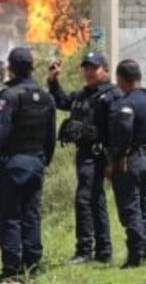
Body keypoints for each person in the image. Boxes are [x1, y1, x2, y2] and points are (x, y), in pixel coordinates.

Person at [0, 46, 56, 281]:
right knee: (31, 215)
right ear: (32, 68)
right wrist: (43, 161)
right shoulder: (45, 97)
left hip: (12, 165)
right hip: (35, 164)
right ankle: (31, 266)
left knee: (9, 216)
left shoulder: (9, 97)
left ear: (10, 68)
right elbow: (50, 136)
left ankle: (11, 270)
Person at [47, 50, 121, 265]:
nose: (89, 72)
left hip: (99, 155)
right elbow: (61, 101)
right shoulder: (83, 94)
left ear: (105, 70)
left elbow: (119, 130)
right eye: (86, 68)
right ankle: (103, 251)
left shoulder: (112, 95)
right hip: (84, 154)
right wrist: (53, 80)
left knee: (85, 199)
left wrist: (113, 160)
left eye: (93, 68)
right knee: (95, 200)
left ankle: (85, 250)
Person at [105, 59, 146, 268]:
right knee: (144, 207)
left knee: (130, 209)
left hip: (130, 161)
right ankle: (144, 251)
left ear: (121, 79)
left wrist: (117, 160)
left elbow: (123, 132)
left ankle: (135, 256)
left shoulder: (125, 104)